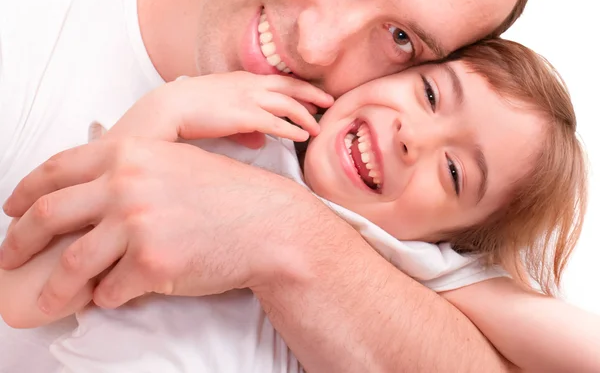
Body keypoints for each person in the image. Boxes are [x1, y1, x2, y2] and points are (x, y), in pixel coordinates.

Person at [0, 0, 539, 371]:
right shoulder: (21, 30)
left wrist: (281, 232)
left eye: (401, 38)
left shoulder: (353, 163)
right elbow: (24, 293)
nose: (317, 45)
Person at [1, 38, 596, 373]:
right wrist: (168, 111)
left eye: (453, 172)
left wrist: (475, 287)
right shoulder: (230, 140)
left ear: (455, 239)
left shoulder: (407, 263)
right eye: (431, 92)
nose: (415, 137)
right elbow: (22, 297)